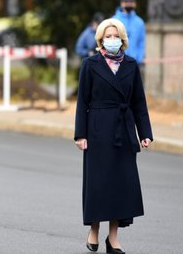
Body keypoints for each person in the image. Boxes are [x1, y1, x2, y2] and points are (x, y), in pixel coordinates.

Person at [74, 18, 152, 253]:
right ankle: (94, 231)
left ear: (122, 39)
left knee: (121, 186)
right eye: (107, 36)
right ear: (100, 39)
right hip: (97, 131)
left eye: (115, 36)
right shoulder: (90, 64)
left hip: (124, 131)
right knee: (98, 185)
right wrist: (80, 134)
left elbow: (139, 102)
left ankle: (114, 237)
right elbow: (82, 102)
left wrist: (145, 132)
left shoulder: (131, 65)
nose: (111, 40)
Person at [113, 0, 146, 64]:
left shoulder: (139, 22)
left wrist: (139, 58)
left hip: (134, 61)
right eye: (126, 2)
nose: (128, 4)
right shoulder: (114, 20)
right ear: (121, 3)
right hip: (117, 61)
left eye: (131, 2)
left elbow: (141, 42)